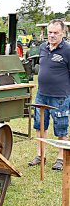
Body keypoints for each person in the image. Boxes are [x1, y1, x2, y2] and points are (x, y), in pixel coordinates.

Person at [28, 19, 70, 171]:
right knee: (40, 126)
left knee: (61, 128)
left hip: (60, 97)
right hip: (41, 94)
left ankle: (60, 158)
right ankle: (40, 155)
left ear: (62, 33)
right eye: (50, 32)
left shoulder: (67, 50)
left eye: (55, 33)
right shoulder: (42, 47)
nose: (52, 36)